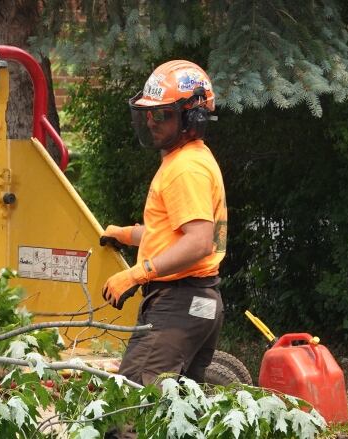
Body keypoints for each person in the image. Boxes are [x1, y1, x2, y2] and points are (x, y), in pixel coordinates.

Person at [101, 60, 227, 386]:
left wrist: (135, 273)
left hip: (179, 302)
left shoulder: (185, 169)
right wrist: (127, 235)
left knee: (129, 408)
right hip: (197, 300)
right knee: (176, 416)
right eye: (148, 113)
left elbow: (199, 242)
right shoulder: (188, 160)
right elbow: (176, 233)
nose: (150, 120)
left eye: (160, 114)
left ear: (191, 118)